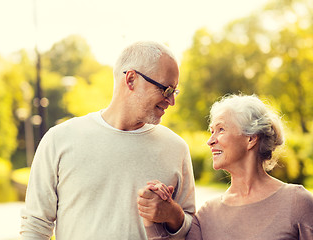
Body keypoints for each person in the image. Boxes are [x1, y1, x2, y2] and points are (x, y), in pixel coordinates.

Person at [20, 41, 196, 240]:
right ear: (131, 80)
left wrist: (173, 214)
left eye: (174, 92)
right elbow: (35, 227)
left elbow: (192, 230)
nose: (172, 101)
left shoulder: (176, 148)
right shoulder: (59, 139)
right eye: (166, 90)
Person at [140, 94, 313, 240]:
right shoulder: (207, 215)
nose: (210, 141)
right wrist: (153, 213)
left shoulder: (297, 202)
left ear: (251, 138)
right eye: (211, 131)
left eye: (221, 130)